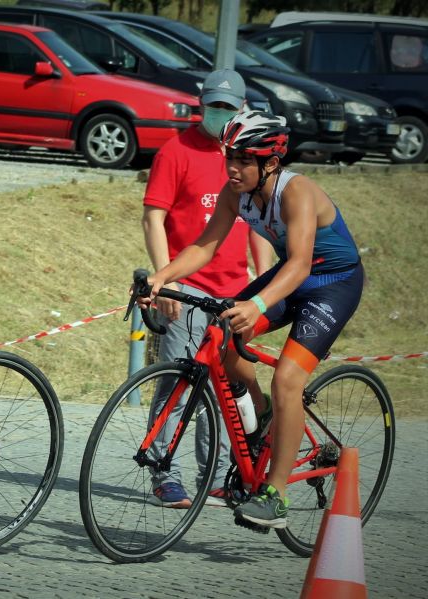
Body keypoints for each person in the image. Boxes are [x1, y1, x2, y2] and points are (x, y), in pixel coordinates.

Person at [141, 110, 364, 528]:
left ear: (271, 163)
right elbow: (205, 247)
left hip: (333, 283)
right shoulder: (235, 192)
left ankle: (275, 496)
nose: (232, 168)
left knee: (288, 380)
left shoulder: (297, 192)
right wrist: (161, 276)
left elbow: (298, 265)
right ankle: (262, 415)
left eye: (244, 160)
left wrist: (258, 305)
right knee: (219, 334)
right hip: (293, 278)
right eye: (230, 157)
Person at [142, 69, 271, 509]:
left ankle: (216, 478)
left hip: (235, 293)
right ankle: (165, 474)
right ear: (201, 105)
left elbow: (259, 226)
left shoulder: (245, 156)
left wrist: (262, 287)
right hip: (188, 288)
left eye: (227, 108)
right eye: (212, 106)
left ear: (241, 109)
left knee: (224, 391)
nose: (219, 114)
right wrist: (166, 278)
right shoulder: (176, 151)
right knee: (177, 386)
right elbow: (153, 218)